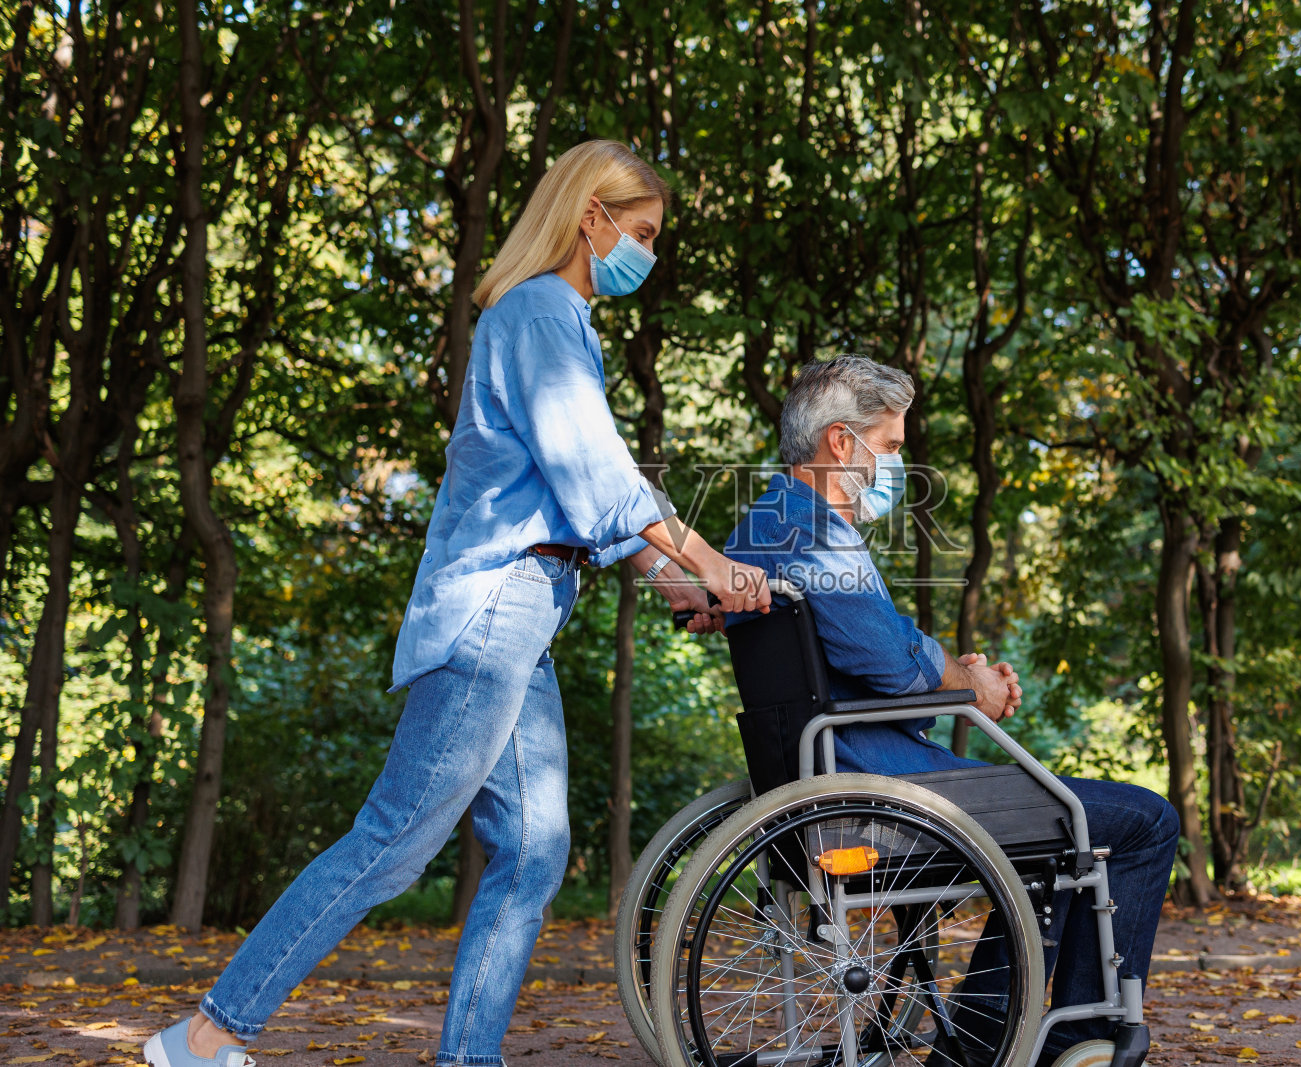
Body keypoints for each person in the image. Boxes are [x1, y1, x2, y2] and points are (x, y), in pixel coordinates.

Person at [145, 140, 770, 1067]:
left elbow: (579, 510)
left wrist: (680, 581)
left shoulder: (562, 321)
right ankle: (206, 1035)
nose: (645, 253)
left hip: (530, 610)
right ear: (590, 217)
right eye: (638, 233)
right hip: (494, 610)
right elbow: (602, 481)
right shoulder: (538, 315)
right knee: (395, 840)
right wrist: (711, 560)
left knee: (532, 850)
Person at [721, 355, 1178, 1061]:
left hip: (841, 775)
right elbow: (891, 660)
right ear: (842, 442)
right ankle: (1082, 1038)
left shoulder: (765, 521)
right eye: (893, 445)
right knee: (1145, 820)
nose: (895, 464)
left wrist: (959, 672)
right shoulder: (814, 531)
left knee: (1051, 835)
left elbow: (882, 648)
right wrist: (973, 685)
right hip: (885, 788)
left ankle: (979, 1041)